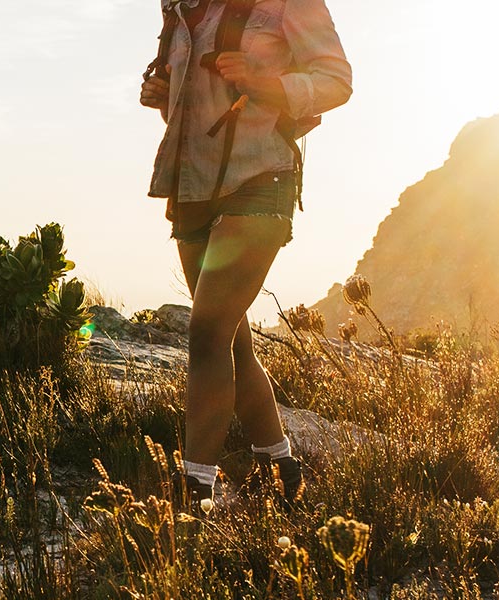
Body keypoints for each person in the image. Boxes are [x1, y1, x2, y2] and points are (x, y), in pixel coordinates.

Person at [138, 0, 352, 506]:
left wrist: (268, 82)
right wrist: (161, 94)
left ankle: (196, 492)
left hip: (262, 181)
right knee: (229, 340)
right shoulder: (180, 10)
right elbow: (189, 104)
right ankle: (281, 467)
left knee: (207, 330)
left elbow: (337, 79)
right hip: (190, 188)